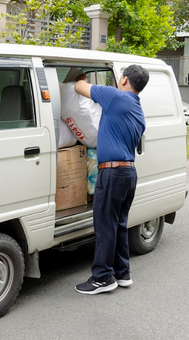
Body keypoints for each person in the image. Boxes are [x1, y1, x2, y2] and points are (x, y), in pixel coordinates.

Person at [73, 65, 149, 295]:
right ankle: (122, 273)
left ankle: (102, 278)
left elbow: (79, 86)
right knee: (118, 224)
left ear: (124, 79)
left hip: (113, 173)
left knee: (105, 225)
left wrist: (79, 72)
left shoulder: (116, 97)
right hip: (128, 174)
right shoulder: (138, 110)